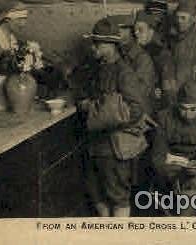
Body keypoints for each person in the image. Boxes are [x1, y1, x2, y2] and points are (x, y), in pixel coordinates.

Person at [79, 16, 150, 217]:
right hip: (97, 144)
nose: (93, 47)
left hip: (114, 145)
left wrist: (93, 108)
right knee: (97, 193)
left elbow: (136, 109)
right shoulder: (100, 67)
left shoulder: (123, 72)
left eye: (97, 43)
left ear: (111, 45)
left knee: (117, 196)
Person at [150, 82, 196, 216]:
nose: (186, 114)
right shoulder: (163, 117)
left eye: (192, 109)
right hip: (169, 168)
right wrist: (173, 174)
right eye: (183, 108)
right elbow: (158, 154)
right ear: (176, 104)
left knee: (191, 191)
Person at [113, 14, 157, 116]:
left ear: (129, 31)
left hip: (138, 114)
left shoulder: (142, 58)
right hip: (121, 110)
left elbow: (140, 92)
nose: (115, 32)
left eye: (120, 29)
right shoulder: (119, 52)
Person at [134, 10, 176, 111]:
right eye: (134, 30)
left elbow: (169, 89)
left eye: (140, 30)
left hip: (156, 105)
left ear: (151, 31)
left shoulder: (162, 54)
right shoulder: (137, 51)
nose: (136, 33)